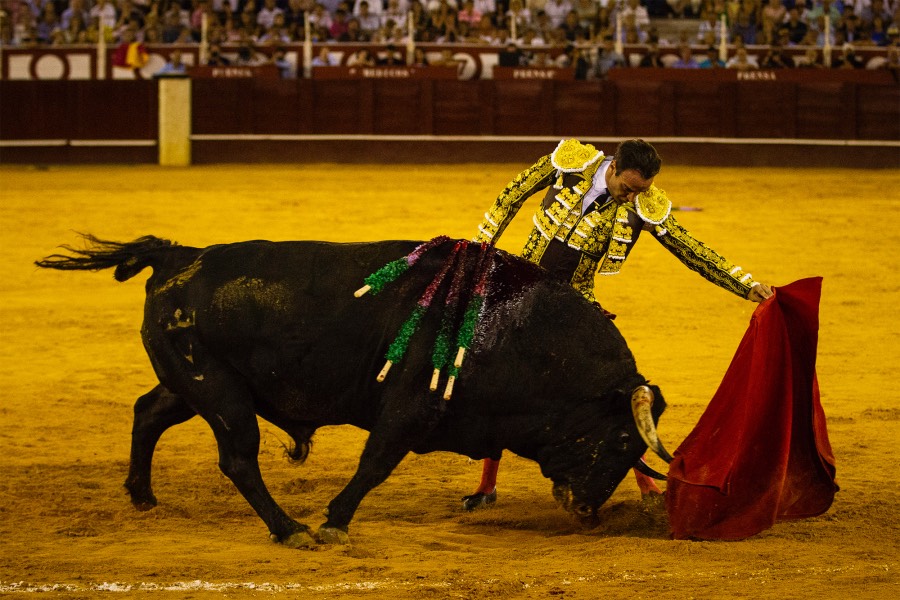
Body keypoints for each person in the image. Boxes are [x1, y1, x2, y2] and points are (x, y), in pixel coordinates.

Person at [463, 139, 773, 510]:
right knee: (500, 383)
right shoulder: (569, 163)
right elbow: (510, 196)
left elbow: (689, 248)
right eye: (628, 188)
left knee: (612, 392)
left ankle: (647, 485)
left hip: (576, 305)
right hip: (521, 292)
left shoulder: (644, 205)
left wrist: (745, 284)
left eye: (640, 191)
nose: (632, 197)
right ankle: (486, 486)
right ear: (612, 168)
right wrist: (479, 250)